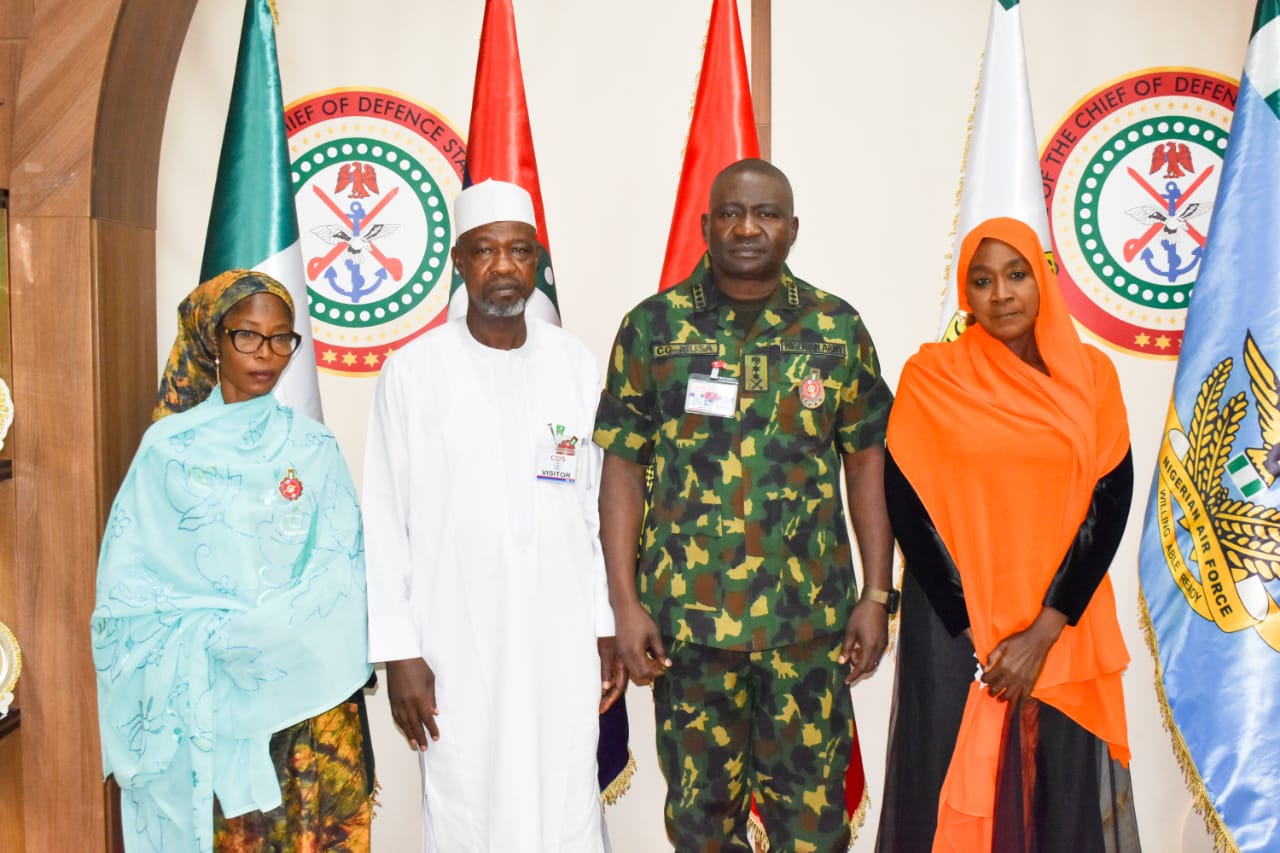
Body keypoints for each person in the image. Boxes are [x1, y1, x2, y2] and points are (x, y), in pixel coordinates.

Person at [594, 158, 895, 851]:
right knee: (701, 824)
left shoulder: (836, 328)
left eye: (765, 214)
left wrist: (877, 592)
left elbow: (866, 463)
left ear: (792, 228)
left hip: (809, 628)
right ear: (706, 226)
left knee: (815, 824)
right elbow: (622, 469)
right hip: (689, 631)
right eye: (731, 212)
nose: (748, 226)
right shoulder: (653, 328)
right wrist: (624, 603)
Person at [362, 179, 623, 853]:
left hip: (561, 635)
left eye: (518, 251)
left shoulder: (574, 362)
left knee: (565, 791)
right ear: (458, 260)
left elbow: (595, 507)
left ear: (537, 263)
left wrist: (603, 625)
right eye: (485, 250)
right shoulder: (412, 371)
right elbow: (385, 517)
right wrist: (398, 650)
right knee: (465, 799)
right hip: (454, 637)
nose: (503, 267)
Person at [875, 217, 1140, 853]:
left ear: (1042, 279)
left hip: (1061, 627)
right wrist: (981, 630)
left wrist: (1044, 629)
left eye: (1016, 274)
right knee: (943, 781)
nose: (1002, 294)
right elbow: (908, 508)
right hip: (955, 631)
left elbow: (1111, 501)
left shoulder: (1092, 376)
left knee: (1056, 793)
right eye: (983, 280)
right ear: (966, 295)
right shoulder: (933, 376)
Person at [92, 270, 373, 853]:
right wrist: (216, 638)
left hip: (308, 700)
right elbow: (127, 595)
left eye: (280, 338)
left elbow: (345, 570)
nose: (265, 354)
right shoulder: (167, 451)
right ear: (212, 341)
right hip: (205, 703)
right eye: (246, 336)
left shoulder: (313, 447)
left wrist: (260, 635)